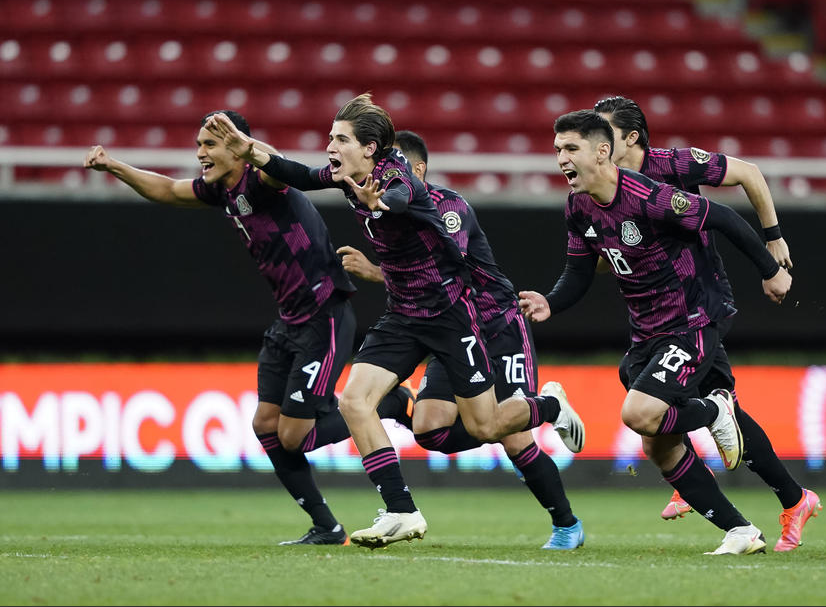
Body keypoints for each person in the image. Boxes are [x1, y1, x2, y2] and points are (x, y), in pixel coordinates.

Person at [206, 94, 585, 549]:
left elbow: (402, 198)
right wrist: (251, 151)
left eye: (340, 139)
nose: (330, 146)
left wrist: (381, 203)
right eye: (330, 137)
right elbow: (300, 175)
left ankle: (550, 408)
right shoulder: (350, 175)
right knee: (356, 401)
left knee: (487, 426)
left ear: (369, 148)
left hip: (452, 316)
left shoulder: (397, 177)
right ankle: (401, 510)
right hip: (404, 315)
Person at [82, 110, 414, 547]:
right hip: (288, 321)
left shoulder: (263, 180)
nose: (200, 153)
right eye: (199, 145)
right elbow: (166, 190)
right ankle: (326, 527)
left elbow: (279, 166)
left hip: (323, 315)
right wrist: (115, 166)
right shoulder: (220, 189)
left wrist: (249, 146)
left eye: (209, 144)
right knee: (266, 425)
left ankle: (390, 403)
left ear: (237, 148)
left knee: (293, 436)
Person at [519, 109, 793, 555]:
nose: (561, 158)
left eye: (570, 148)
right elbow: (579, 271)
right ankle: (740, 531)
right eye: (557, 150)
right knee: (659, 446)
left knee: (639, 414)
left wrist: (770, 269)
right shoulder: (578, 206)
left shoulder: (648, 196)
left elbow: (722, 217)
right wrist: (551, 301)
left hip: (691, 322)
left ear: (602, 151)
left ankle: (715, 410)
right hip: (646, 331)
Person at [336, 129, 584, 549]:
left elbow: (446, 272)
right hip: (449, 328)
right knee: (430, 430)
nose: (385, 178)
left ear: (417, 170)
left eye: (394, 170)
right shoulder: (387, 216)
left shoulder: (447, 207)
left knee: (511, 434)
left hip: (495, 324)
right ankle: (412, 410)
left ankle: (566, 521)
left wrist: (376, 272)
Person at [594, 96, 821, 552]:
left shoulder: (674, 165)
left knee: (671, 406)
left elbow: (749, 173)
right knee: (714, 404)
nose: (595, 144)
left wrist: (773, 238)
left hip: (700, 305)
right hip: (658, 316)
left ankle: (697, 475)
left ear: (632, 137)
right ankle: (793, 498)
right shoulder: (604, 188)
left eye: (604, 134)